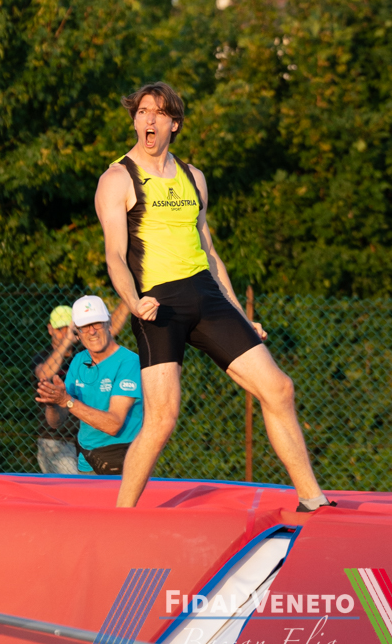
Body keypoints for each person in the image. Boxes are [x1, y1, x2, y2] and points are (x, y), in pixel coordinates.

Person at [94, 80, 331, 511]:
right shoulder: (117, 179)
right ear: (135, 121)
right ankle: (120, 518)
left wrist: (241, 315)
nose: (148, 120)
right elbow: (114, 255)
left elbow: (210, 252)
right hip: (157, 305)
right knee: (162, 419)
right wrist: (132, 301)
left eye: (158, 113)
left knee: (279, 389)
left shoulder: (194, 178)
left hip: (205, 295)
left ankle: (312, 500)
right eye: (142, 112)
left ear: (174, 123)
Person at [35, 295, 144, 475]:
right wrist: (52, 404)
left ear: (109, 324)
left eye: (97, 323)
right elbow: (56, 422)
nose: (92, 331)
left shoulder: (129, 362)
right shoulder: (79, 360)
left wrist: (67, 401)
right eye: (85, 326)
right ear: (77, 333)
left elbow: (113, 424)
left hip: (125, 460)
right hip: (87, 462)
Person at [31, 305, 81, 475]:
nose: (65, 334)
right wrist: (67, 341)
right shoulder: (42, 356)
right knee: (72, 486)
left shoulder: (84, 355)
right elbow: (44, 374)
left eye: (69, 329)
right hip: (55, 440)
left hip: (86, 439)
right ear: (50, 329)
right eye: (60, 329)